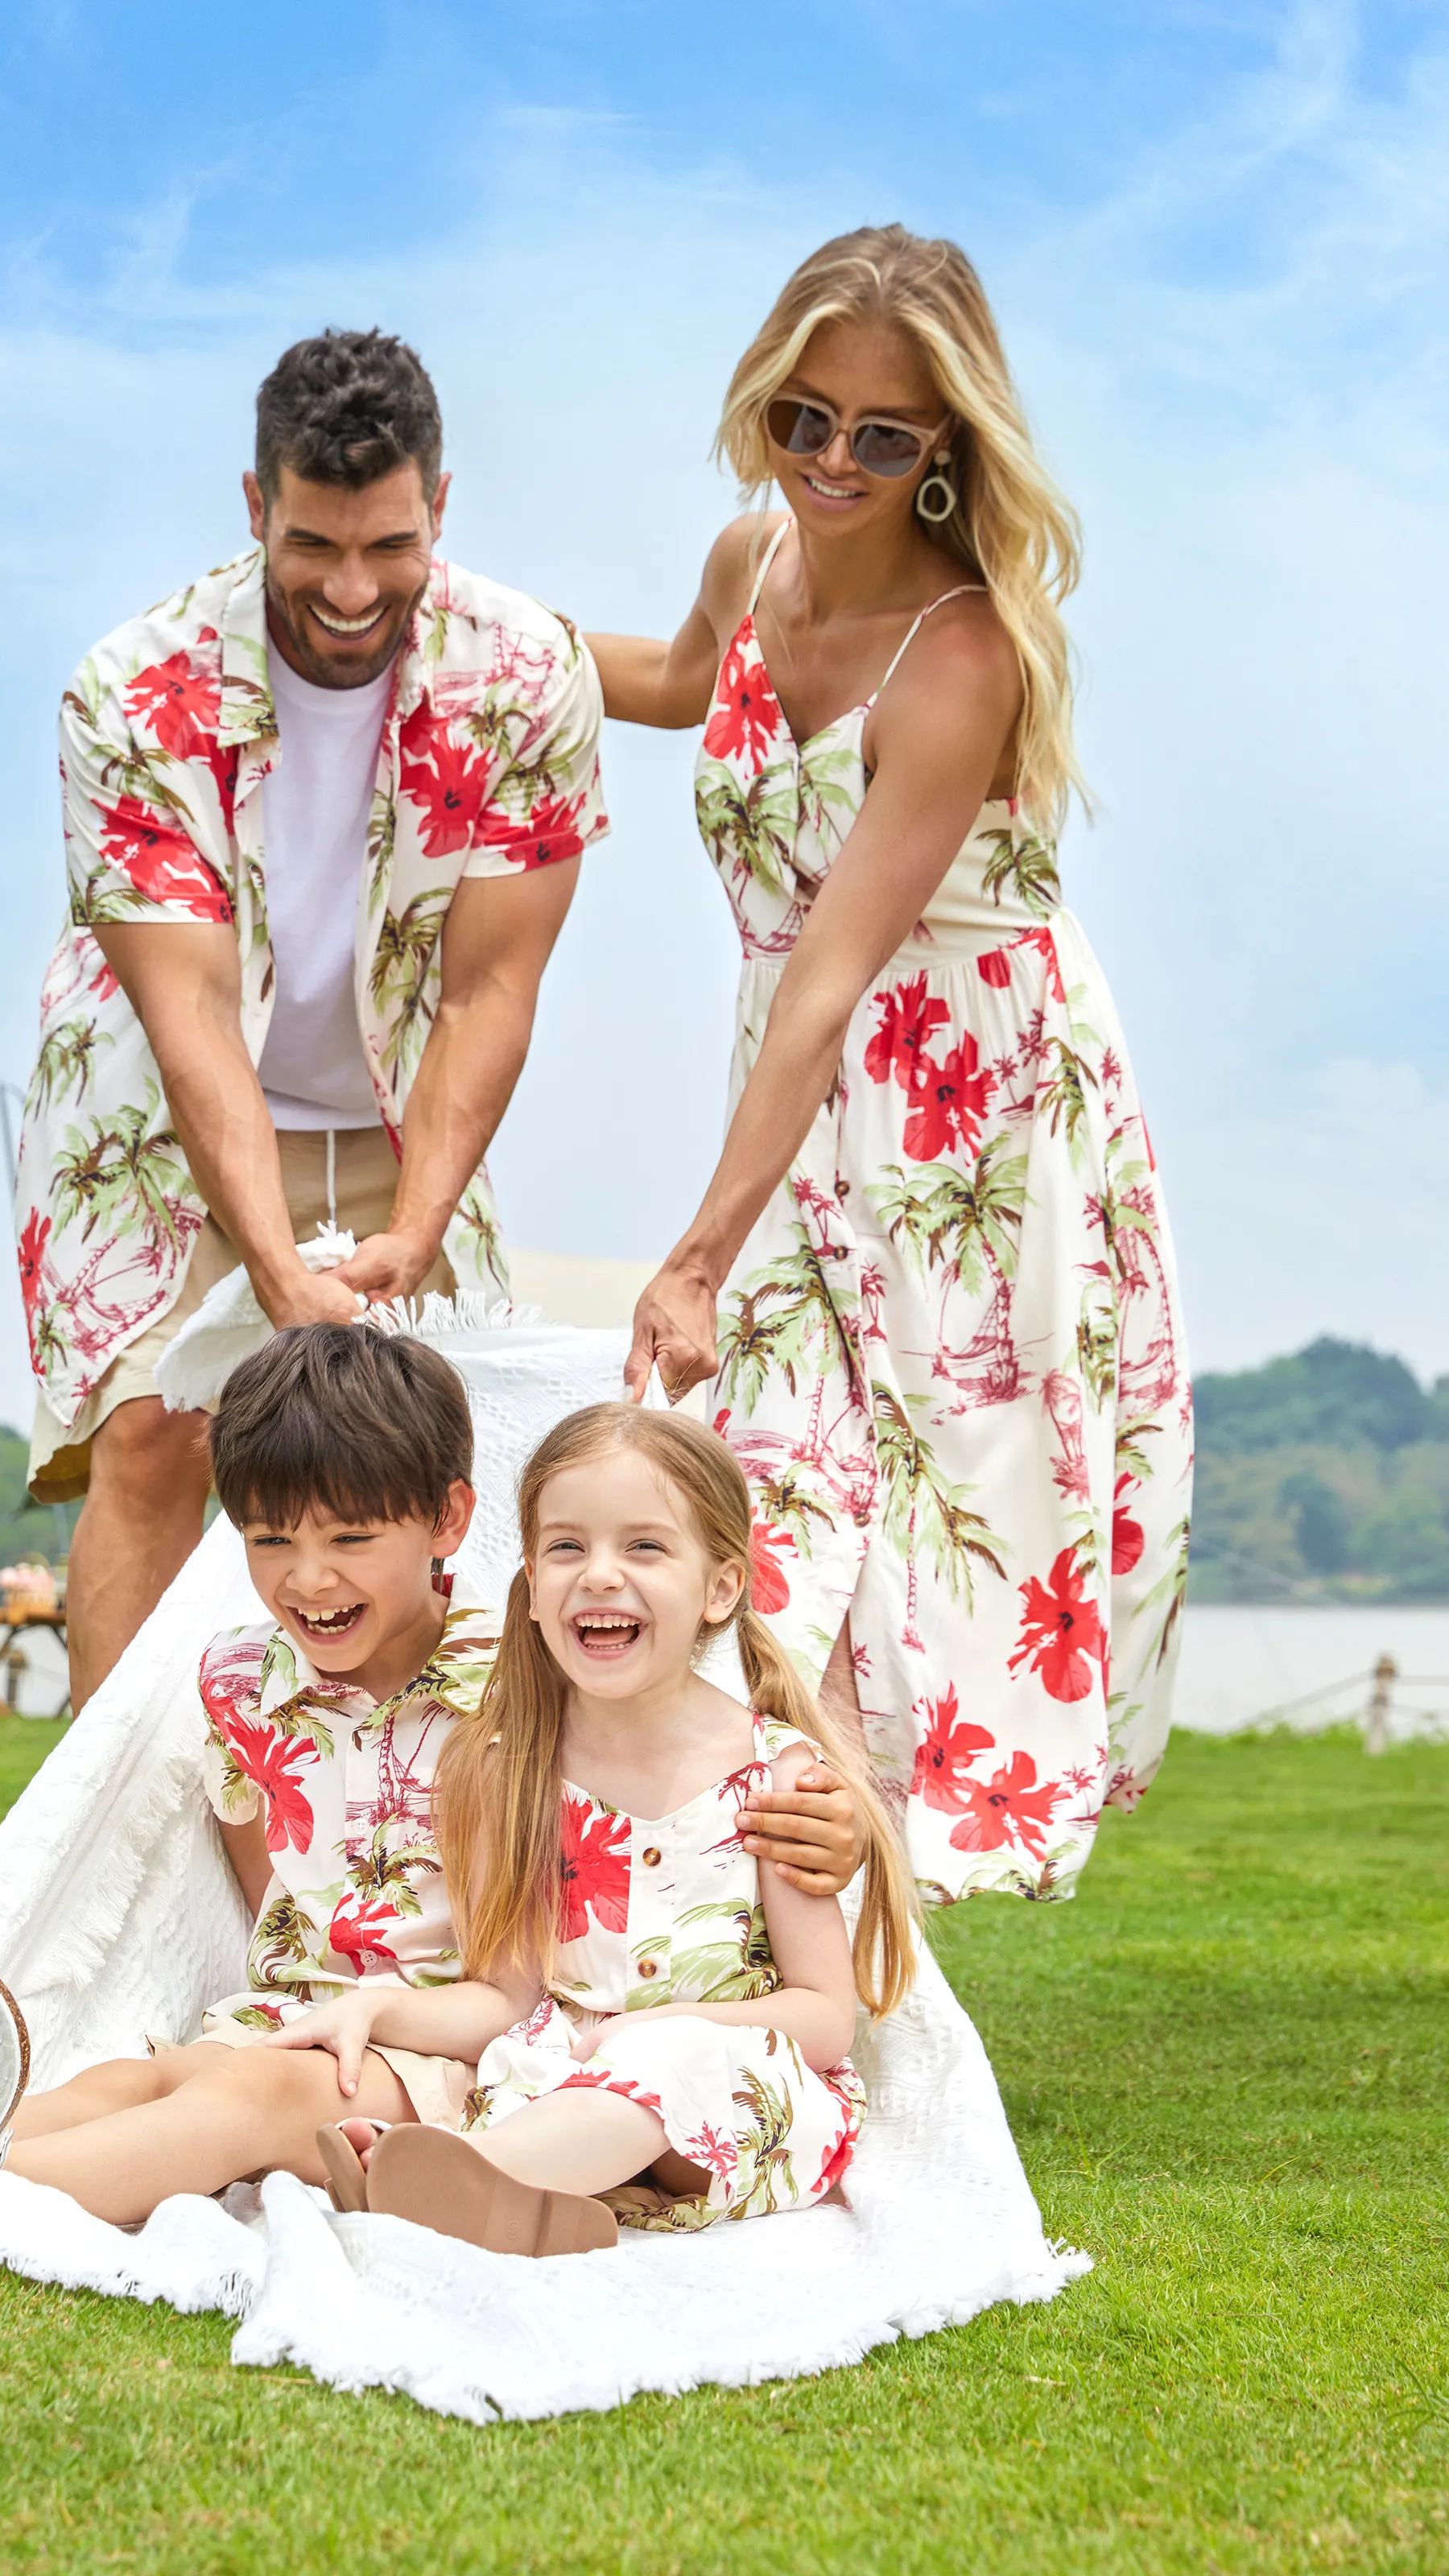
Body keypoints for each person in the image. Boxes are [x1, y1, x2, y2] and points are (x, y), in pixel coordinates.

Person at [0, 1330, 864, 2230]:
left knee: (238, 2105)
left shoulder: (519, 1689)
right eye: (269, 1541)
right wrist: (294, 2006)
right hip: (292, 2011)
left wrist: (842, 1824)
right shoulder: (237, 1685)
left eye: (350, 1539)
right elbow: (272, 1891)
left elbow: (656, 1773)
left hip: (434, 2048)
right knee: (145, 2081)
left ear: (450, 1521)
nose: (307, 1578)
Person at [588, 225, 1191, 1906]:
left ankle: (847, 1959)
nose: (835, 462)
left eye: (883, 433)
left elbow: (839, 965)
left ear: (946, 448)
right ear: (766, 404)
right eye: (807, 417)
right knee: (770, 1492)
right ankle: (773, 1929)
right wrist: (472, 624)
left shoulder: (967, 655)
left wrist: (698, 1249)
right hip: (800, 1073)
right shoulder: (747, 558)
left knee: (949, 1527)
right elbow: (673, 680)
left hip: (967, 1110)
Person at [15, 329, 608, 1707]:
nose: (352, 590)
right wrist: (277, 1273)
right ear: (255, 506)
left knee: (434, 1458)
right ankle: (120, 1857)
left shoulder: (527, 674)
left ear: (439, 508)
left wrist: (421, 1219)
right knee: (160, 1435)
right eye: (314, 546)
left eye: (389, 548)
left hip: (404, 1109)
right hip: (166, 1110)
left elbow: (488, 987)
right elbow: (195, 1015)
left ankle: (425, 1840)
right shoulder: (131, 689)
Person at [312, 1402, 918, 2256]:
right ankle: (506, 2193)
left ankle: (457, 2175)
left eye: (643, 1545)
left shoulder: (775, 1775)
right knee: (568, 2081)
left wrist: (667, 2029)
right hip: (577, 2081)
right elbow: (509, 1998)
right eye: (567, 1546)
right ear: (530, 1583)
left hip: (737, 2098)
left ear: (720, 1586)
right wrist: (375, 2008)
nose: (599, 1574)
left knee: (665, 2065)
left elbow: (824, 2017)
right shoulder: (508, 1767)